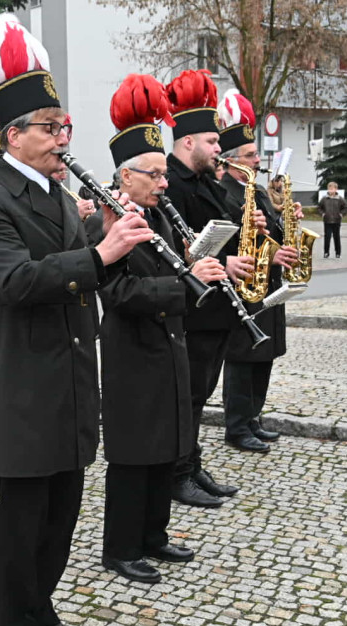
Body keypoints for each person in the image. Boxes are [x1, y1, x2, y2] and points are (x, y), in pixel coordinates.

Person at [0, 15, 155, 626]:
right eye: (49, 127)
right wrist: (100, 251)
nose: (61, 138)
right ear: (13, 135)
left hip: (70, 373)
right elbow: (16, 282)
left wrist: (112, 241)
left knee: (62, 511)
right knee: (23, 519)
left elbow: (84, 270)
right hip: (22, 381)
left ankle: (41, 611)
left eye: (62, 126)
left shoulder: (60, 195)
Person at [90, 74, 226, 585]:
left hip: (167, 346)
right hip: (131, 352)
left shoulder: (159, 217)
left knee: (165, 445)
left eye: (163, 173)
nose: (163, 181)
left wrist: (192, 265)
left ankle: (153, 535)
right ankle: (120, 548)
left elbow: (170, 274)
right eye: (152, 174)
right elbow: (119, 294)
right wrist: (187, 285)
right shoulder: (107, 223)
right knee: (131, 456)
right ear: (125, 178)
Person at [164, 70, 258, 508]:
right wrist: (224, 263)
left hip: (218, 307)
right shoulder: (172, 185)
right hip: (193, 308)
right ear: (187, 143)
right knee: (185, 398)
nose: (219, 149)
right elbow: (177, 249)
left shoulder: (204, 181)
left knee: (200, 396)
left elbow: (216, 233)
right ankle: (177, 472)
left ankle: (192, 463)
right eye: (212, 142)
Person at [216, 89, 300, 454]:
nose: (258, 159)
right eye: (251, 155)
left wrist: (285, 224)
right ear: (233, 161)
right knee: (242, 357)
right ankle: (236, 425)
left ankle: (253, 417)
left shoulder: (257, 191)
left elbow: (270, 232)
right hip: (242, 284)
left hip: (267, 282)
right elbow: (222, 237)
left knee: (264, 354)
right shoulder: (224, 192)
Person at [318, 182, 347, 258]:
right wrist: (323, 214)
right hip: (327, 221)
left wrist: (341, 214)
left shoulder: (339, 199)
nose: (331, 190)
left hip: (336, 221)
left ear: (336, 189)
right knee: (327, 237)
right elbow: (319, 207)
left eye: (332, 189)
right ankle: (326, 252)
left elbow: (346, 207)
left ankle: (338, 253)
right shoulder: (324, 198)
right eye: (329, 189)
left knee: (336, 237)